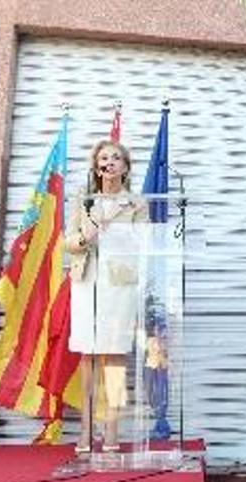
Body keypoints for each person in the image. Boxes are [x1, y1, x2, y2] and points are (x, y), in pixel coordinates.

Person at [64, 140, 146, 453]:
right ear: (96, 166)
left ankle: (111, 429)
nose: (108, 162)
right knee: (87, 355)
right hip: (87, 283)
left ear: (125, 167)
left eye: (115, 158)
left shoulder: (137, 203)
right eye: (103, 158)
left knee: (114, 357)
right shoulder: (84, 201)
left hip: (119, 285)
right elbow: (68, 241)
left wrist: (120, 235)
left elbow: (144, 244)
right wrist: (88, 235)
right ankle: (85, 429)